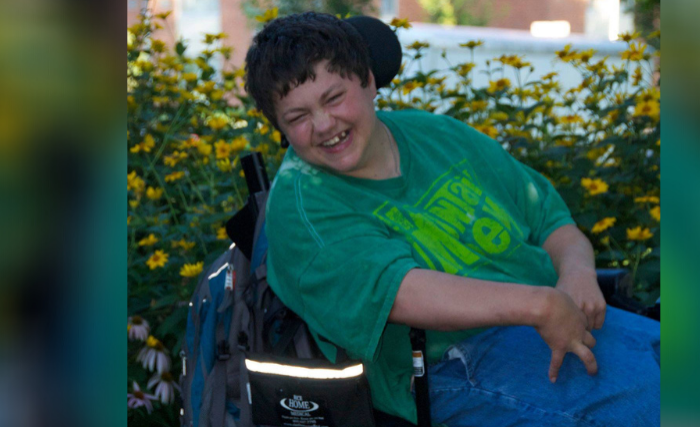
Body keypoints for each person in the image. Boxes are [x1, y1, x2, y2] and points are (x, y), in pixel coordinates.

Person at [244, 12, 659, 427]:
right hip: (447, 367)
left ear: (368, 81)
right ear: (279, 126)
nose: (323, 125)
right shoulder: (303, 209)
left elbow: (549, 218)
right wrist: (541, 304)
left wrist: (578, 273)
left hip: (550, 318)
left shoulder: (437, 135)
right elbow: (400, 293)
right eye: (297, 118)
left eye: (333, 98)